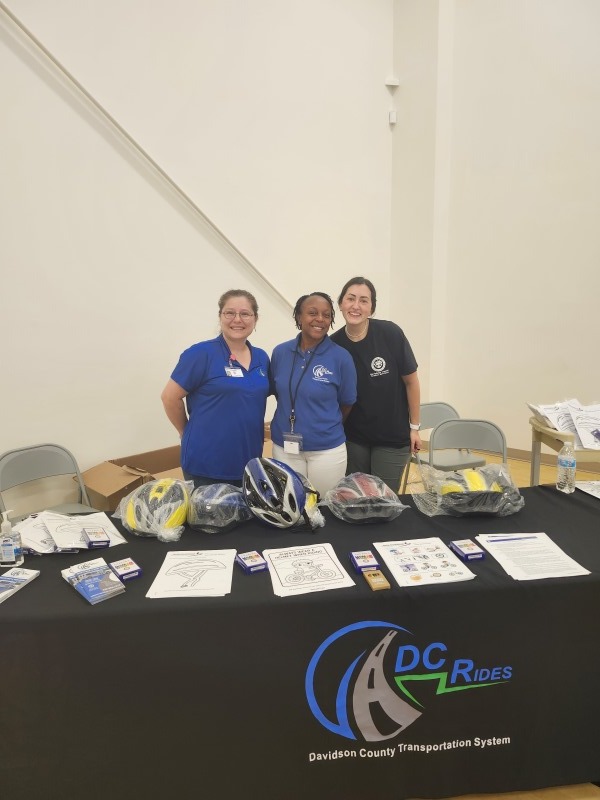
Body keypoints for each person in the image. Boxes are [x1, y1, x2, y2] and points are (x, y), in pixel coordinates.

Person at [161, 289, 270, 488]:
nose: (237, 319)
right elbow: (169, 398)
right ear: (220, 316)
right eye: (230, 313)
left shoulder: (262, 358)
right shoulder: (201, 354)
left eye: (245, 314)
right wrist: (186, 432)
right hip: (207, 462)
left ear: (255, 319)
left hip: (249, 461)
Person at [330, 277, 422, 492]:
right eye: (350, 299)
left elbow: (411, 382)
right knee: (355, 497)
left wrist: (414, 428)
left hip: (392, 437)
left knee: (383, 500)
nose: (356, 306)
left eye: (364, 300)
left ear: (371, 308)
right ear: (341, 303)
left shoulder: (390, 334)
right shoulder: (334, 345)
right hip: (353, 437)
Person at [270, 292, 357, 497]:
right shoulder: (280, 353)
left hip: (326, 450)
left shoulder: (341, 357)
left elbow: (347, 402)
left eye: (326, 315)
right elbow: (280, 394)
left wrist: (323, 425)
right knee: (289, 503)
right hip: (284, 447)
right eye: (312, 313)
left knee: (324, 505)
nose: (320, 319)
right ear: (299, 317)